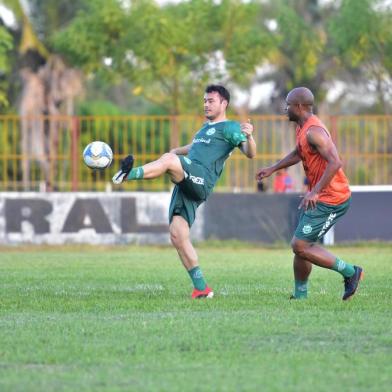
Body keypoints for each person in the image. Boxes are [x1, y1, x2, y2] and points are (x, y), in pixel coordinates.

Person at [113, 85, 256, 298]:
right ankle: (201, 288)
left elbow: (249, 153)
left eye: (211, 101)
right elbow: (195, 147)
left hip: (201, 178)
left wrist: (249, 137)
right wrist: (174, 152)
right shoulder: (204, 129)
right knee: (177, 235)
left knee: (170, 162)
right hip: (188, 180)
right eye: (205, 101)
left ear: (224, 103)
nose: (206, 104)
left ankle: (128, 174)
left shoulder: (229, 128)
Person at [256, 87, 363, 301]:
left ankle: (351, 272)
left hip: (333, 198)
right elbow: (299, 152)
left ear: (299, 107)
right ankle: (300, 295)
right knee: (301, 245)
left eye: (288, 105)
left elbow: (335, 162)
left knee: (300, 245)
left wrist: (314, 192)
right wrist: (273, 168)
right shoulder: (302, 128)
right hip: (320, 197)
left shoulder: (315, 131)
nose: (285, 109)